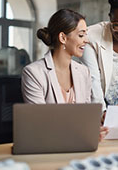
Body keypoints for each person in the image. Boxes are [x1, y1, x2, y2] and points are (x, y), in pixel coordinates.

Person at [21, 9, 108, 140]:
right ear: (63, 38)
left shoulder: (84, 72)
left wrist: (106, 119)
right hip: (48, 146)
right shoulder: (34, 73)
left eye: (86, 35)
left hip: (80, 144)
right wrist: (83, 132)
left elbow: (85, 118)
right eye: (81, 35)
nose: (86, 40)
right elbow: (40, 124)